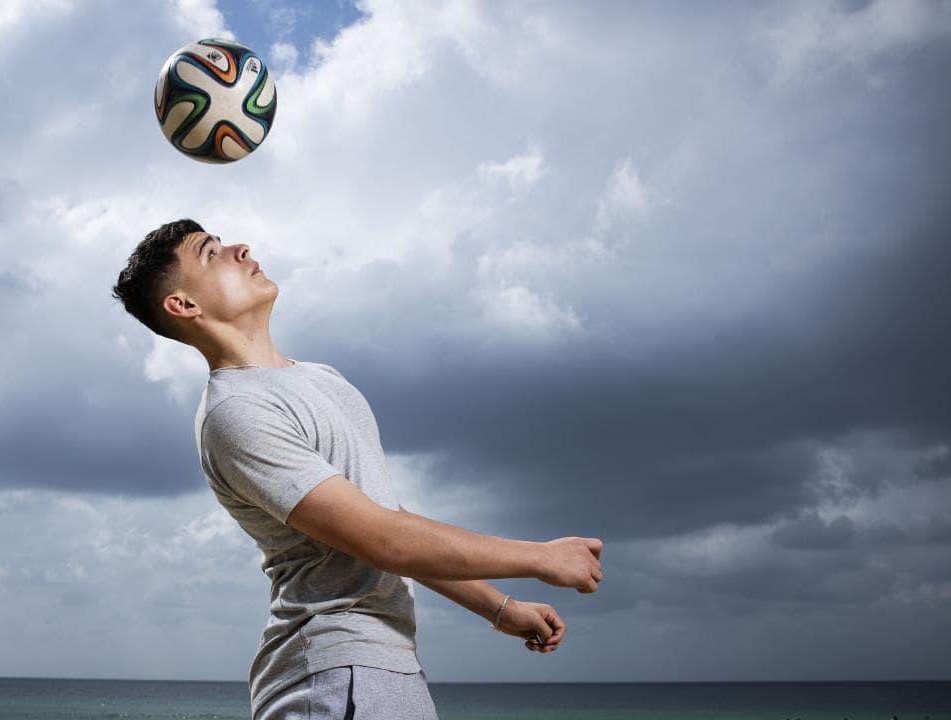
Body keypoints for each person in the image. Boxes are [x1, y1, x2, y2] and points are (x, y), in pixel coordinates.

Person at [111, 219, 604, 719]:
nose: (241, 249)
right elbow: (383, 540)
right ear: (184, 305)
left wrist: (500, 608)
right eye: (211, 253)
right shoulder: (236, 413)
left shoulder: (322, 379)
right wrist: (542, 559)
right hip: (334, 673)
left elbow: (384, 518)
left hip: (380, 667)